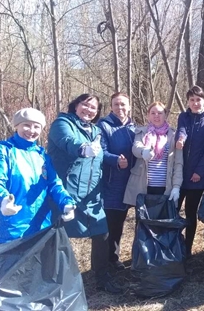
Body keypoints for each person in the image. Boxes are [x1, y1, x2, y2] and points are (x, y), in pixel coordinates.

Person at [48, 93, 122, 294]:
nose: (89, 110)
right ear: (76, 105)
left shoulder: (96, 131)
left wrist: (116, 160)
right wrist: (82, 148)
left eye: (93, 108)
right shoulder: (62, 123)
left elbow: (99, 161)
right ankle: (57, 282)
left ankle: (102, 278)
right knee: (58, 237)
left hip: (91, 195)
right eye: (85, 105)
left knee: (102, 234)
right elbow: (67, 142)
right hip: (65, 194)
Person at [0, 108, 76, 245]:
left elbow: (54, 184)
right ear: (17, 126)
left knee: (39, 266)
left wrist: (67, 203)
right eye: (26, 125)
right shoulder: (2, 152)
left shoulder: (42, 156)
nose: (31, 131)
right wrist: (3, 199)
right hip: (12, 229)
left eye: (36, 127)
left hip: (41, 227)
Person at [175, 86, 204, 258]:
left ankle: (187, 248)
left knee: (190, 213)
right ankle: (173, 244)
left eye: (198, 99)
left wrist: (200, 172)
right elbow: (182, 129)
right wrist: (181, 137)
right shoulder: (183, 116)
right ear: (188, 101)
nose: (195, 103)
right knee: (174, 210)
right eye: (191, 99)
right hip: (179, 174)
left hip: (196, 177)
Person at [97, 92, 136, 270]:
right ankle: (108, 261)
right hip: (112, 181)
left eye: (123, 104)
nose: (120, 108)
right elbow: (100, 151)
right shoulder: (103, 126)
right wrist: (115, 160)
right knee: (112, 222)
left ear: (129, 106)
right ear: (111, 106)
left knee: (121, 220)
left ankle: (115, 257)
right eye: (116, 104)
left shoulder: (134, 127)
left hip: (131, 181)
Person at [124, 101, 183, 204]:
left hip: (165, 188)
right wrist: (143, 151)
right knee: (143, 219)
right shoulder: (142, 132)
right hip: (143, 187)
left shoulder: (174, 135)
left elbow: (178, 163)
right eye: (153, 113)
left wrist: (176, 187)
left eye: (160, 113)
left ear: (165, 115)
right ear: (148, 115)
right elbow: (136, 148)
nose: (156, 116)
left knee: (162, 219)